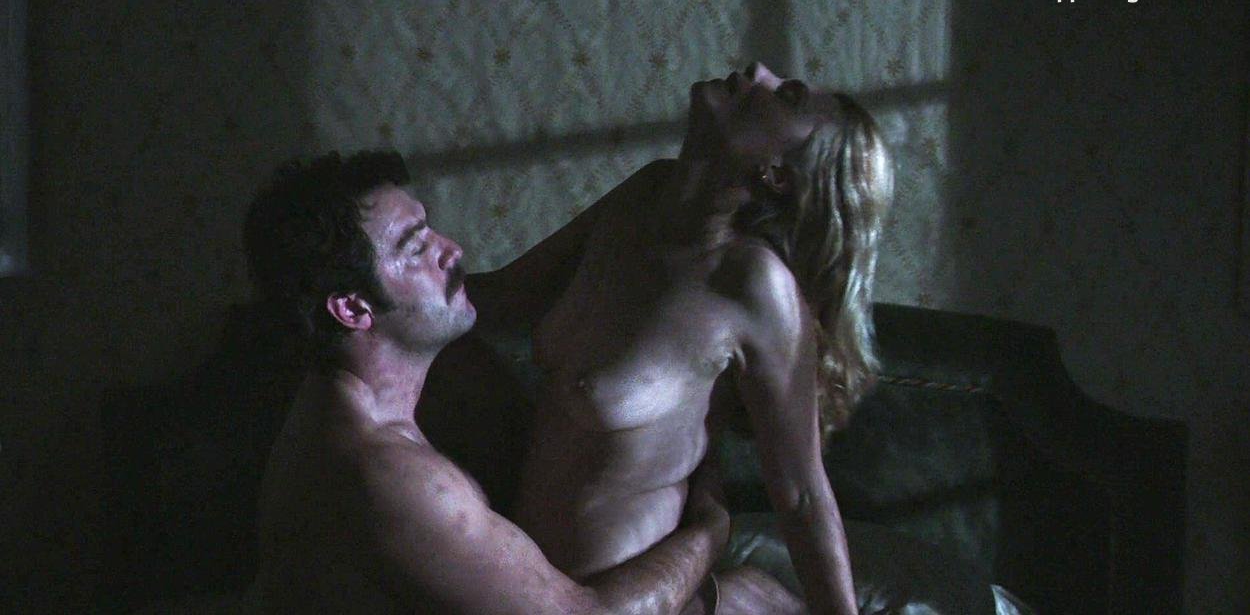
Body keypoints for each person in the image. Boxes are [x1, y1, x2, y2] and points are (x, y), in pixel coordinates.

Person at [473, 63, 893, 614]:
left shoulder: (754, 286)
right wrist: (373, 268)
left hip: (630, 603)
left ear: (778, 174)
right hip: (524, 588)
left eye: (787, 97)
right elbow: (500, 295)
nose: (758, 72)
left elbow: (803, 495)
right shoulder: (641, 197)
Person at [243, 151, 730, 614]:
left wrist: (667, 184)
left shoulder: (356, 381)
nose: (452, 250)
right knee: (745, 596)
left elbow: (506, 291)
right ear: (353, 309)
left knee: (747, 598)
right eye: (417, 247)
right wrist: (711, 528)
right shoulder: (385, 473)